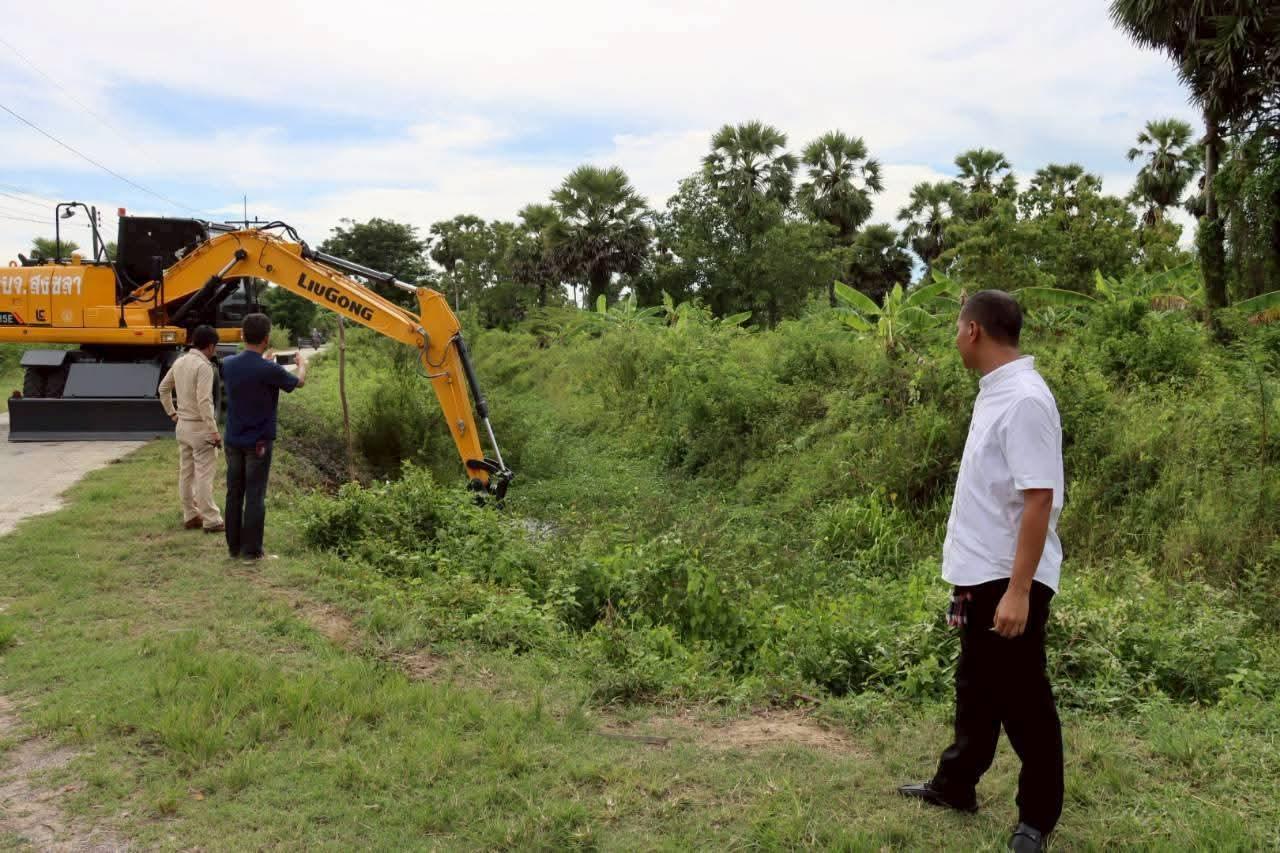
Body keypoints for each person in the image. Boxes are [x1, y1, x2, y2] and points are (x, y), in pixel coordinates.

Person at [897, 291, 1065, 853]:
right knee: (975, 688)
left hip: (1006, 575)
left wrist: (1019, 590)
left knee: (1024, 700)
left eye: (956, 328)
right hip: (979, 571)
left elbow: (1039, 498)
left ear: (973, 331)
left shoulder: (1025, 399)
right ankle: (956, 786)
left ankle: (1036, 818)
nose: (954, 338)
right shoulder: (996, 391)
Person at [221, 313, 307, 562]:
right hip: (258, 442)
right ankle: (252, 551)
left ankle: (234, 547)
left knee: (234, 493)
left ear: (242, 335)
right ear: (266, 338)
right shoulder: (269, 369)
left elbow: (248, 375)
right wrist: (302, 364)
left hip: (233, 439)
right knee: (255, 495)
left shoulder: (228, 364)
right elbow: (298, 383)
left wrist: (263, 361)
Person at [157, 324, 224, 533]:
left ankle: (190, 515)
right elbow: (204, 401)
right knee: (204, 475)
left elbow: (163, 389)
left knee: (186, 473)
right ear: (211, 346)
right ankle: (211, 519)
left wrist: (172, 413)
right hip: (200, 428)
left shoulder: (180, 361)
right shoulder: (204, 367)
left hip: (182, 426)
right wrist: (214, 430)